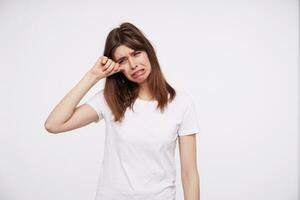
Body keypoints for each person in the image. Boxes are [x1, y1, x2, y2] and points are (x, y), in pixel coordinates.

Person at [44, 22, 201, 200]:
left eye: (136, 53)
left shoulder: (181, 104)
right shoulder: (109, 100)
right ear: (116, 67)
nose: (133, 65)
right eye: (122, 61)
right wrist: (93, 75)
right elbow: (53, 124)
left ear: (150, 50)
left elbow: (189, 173)